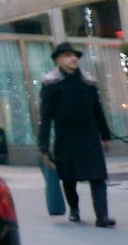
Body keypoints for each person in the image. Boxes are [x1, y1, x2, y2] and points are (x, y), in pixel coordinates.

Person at [38, 42, 115, 228]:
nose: (73, 59)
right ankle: (74, 209)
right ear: (58, 60)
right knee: (69, 178)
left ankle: (102, 216)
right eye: (67, 55)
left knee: (98, 177)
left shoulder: (88, 83)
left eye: (74, 56)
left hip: (89, 136)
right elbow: (46, 117)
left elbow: (98, 111)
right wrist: (43, 145)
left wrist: (105, 135)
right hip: (66, 138)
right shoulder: (51, 85)